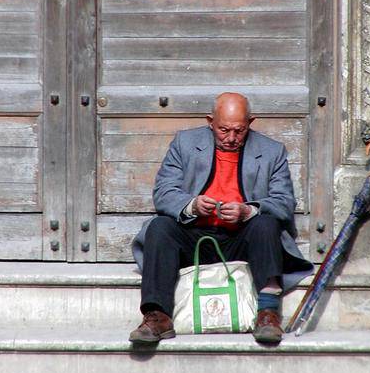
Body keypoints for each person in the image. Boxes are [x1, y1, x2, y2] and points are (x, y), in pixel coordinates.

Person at [129, 92, 313, 344]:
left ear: (251, 122)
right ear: (210, 121)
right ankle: (157, 316)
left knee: (266, 222)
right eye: (223, 130)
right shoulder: (184, 143)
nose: (231, 138)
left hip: (241, 241)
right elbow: (164, 192)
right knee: (160, 227)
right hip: (194, 238)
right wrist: (192, 205)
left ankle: (268, 313)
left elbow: (283, 202)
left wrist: (248, 211)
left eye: (239, 131)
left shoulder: (272, 152)